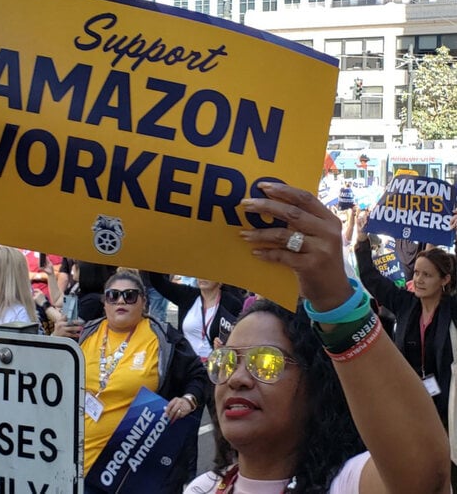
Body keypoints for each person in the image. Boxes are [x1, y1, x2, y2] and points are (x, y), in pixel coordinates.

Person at [186, 181, 450, 493]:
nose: (237, 379)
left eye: (266, 362)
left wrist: (334, 300)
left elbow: (424, 479)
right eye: (226, 362)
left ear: (316, 388)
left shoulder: (346, 483)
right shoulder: (201, 488)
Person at [58, 271, 207, 493]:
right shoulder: (85, 334)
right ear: (104, 303)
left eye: (130, 296)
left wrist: (188, 400)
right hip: (79, 466)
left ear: (143, 302)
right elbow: (52, 382)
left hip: (135, 466)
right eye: (113, 295)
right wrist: (56, 341)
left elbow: (198, 375)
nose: (121, 301)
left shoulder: (163, 337)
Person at [353, 209, 457, 485]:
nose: (419, 280)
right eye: (418, 273)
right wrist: (362, 240)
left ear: (444, 281)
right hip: (411, 402)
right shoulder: (406, 305)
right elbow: (371, 278)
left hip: (447, 406)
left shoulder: (452, 311)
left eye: (428, 275)